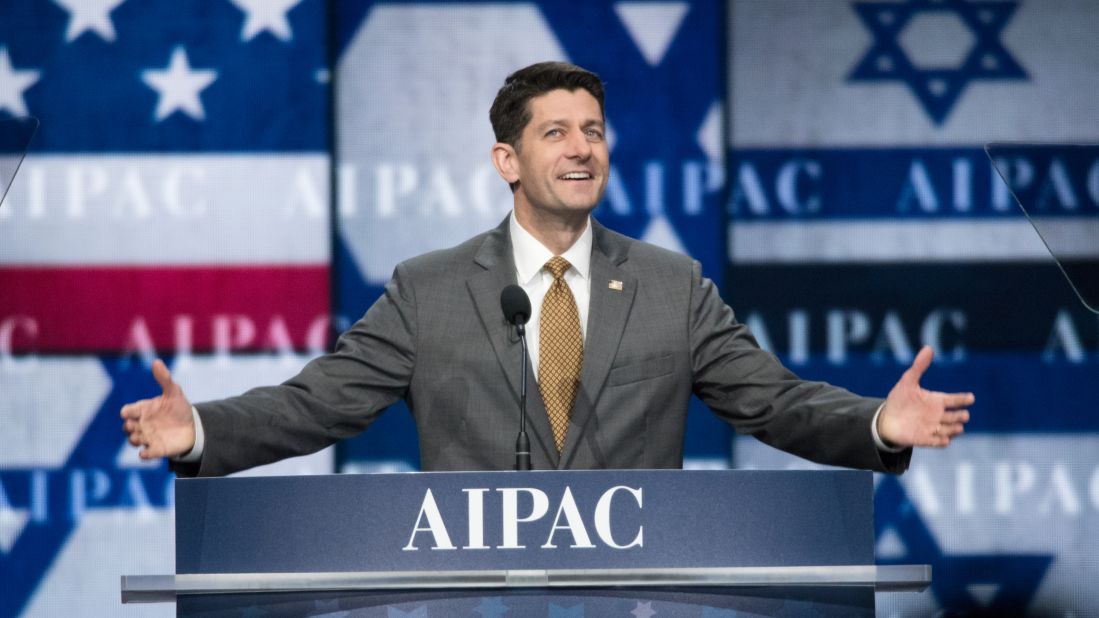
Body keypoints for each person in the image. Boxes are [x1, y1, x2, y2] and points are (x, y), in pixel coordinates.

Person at [121, 62, 972, 476]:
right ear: (507, 159)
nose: (581, 148)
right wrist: (197, 431)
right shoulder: (430, 287)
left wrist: (874, 425)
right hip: (473, 598)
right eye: (556, 132)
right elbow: (318, 404)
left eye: (594, 130)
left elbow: (774, 403)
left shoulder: (672, 286)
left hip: (638, 596)